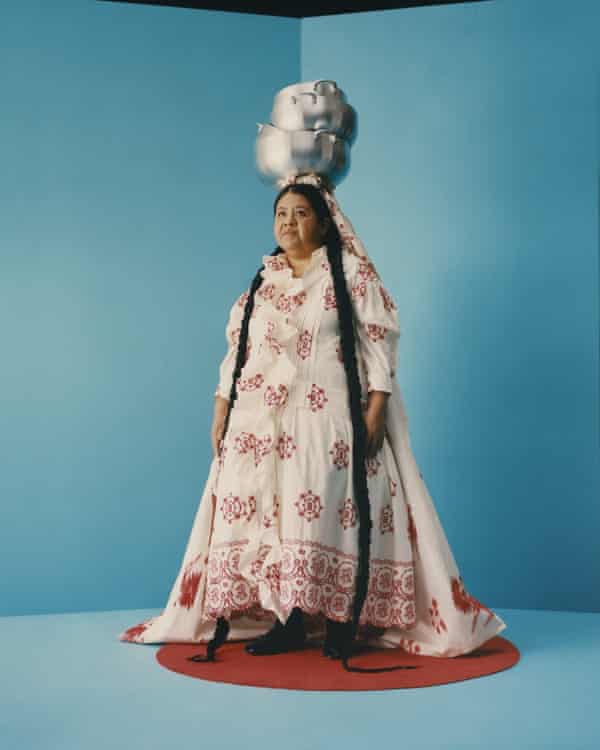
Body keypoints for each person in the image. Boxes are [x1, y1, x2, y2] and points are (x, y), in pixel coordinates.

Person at [119, 174, 507, 671]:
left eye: (301, 214)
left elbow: (378, 342)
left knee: (330, 509)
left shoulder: (350, 277)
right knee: (276, 517)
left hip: (327, 418)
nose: (289, 223)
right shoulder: (262, 284)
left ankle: (345, 621)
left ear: (324, 223)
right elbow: (238, 351)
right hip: (262, 426)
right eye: (282, 215)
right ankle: (289, 621)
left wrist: (375, 408)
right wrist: (221, 410)